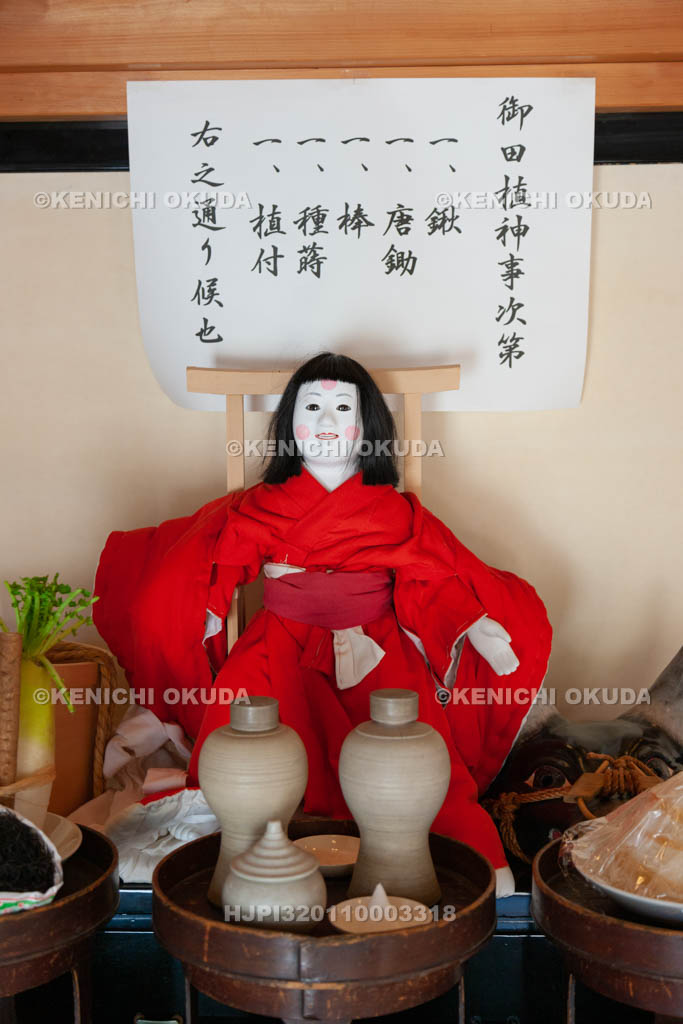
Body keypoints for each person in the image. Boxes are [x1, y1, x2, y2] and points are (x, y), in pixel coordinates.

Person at [91, 353, 552, 893]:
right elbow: (212, 562)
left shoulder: (393, 509)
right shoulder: (261, 506)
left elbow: (432, 575)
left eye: (342, 408)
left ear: (368, 426)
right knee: (236, 752)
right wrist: (201, 614)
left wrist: (475, 623)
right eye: (312, 406)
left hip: (378, 645)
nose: (328, 423)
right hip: (277, 643)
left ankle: (472, 861)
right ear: (290, 421)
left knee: (420, 753)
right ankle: (241, 863)